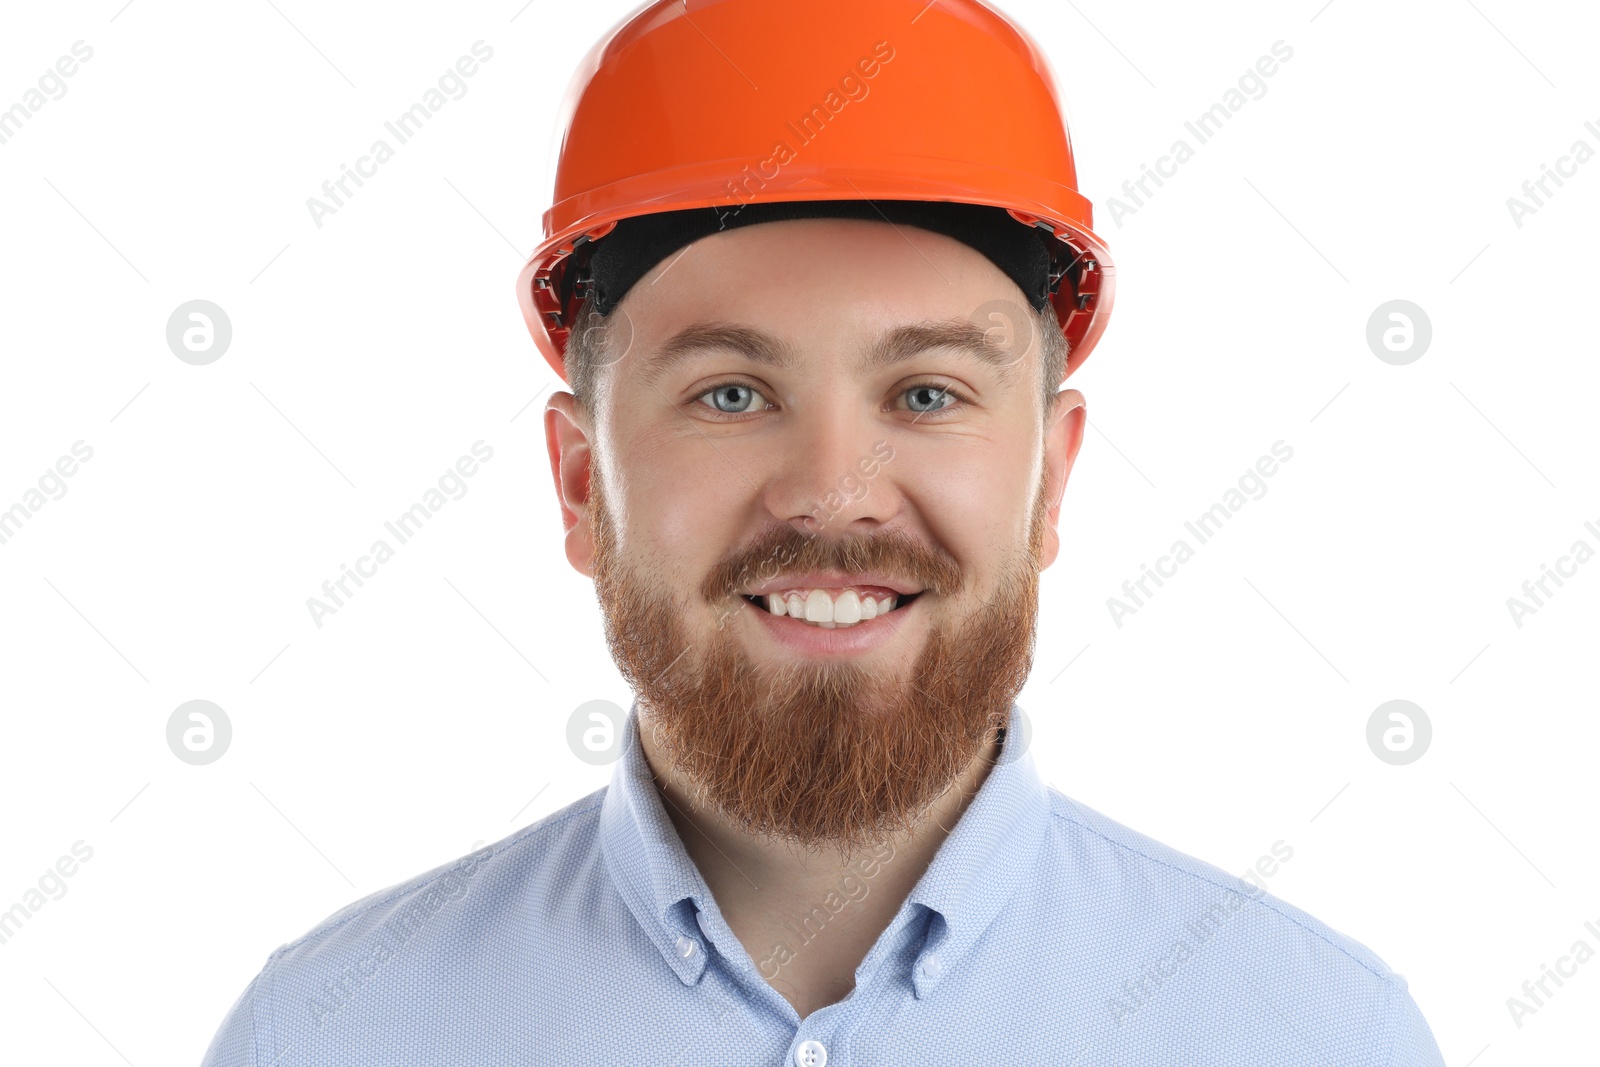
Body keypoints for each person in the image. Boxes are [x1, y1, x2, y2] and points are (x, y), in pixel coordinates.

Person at [202, 1, 1446, 1063]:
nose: (834, 493)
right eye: (730, 394)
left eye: (927, 394)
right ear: (581, 483)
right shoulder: (328, 1033)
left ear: (1052, 480)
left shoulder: (1316, 1033)